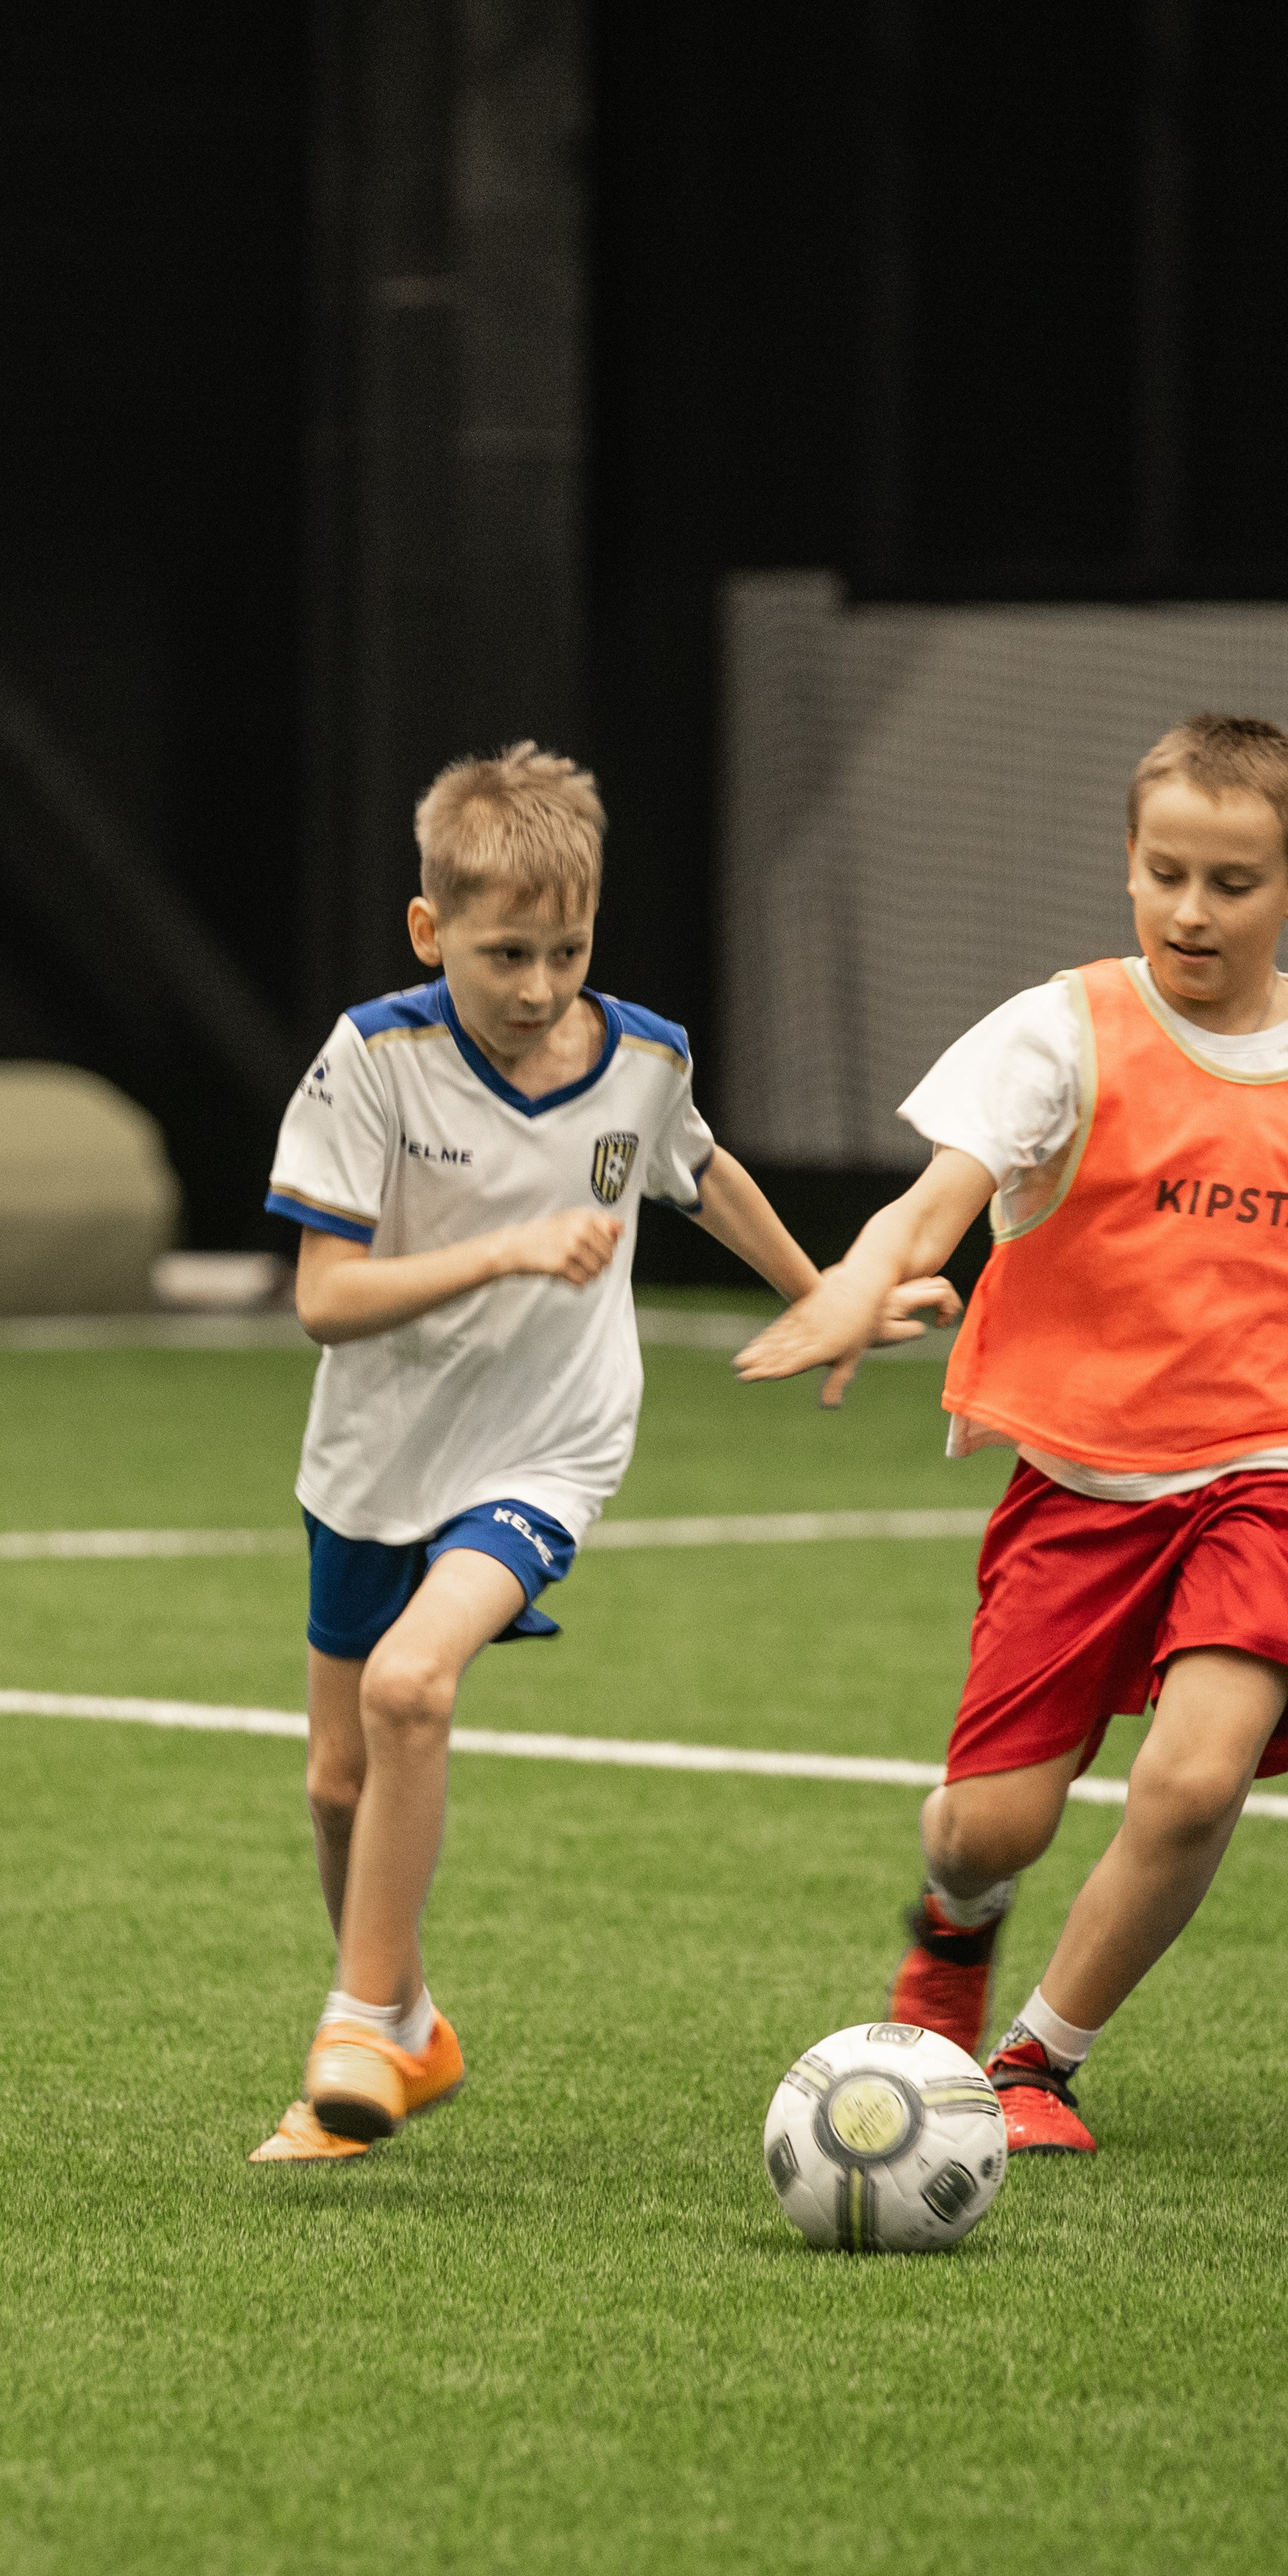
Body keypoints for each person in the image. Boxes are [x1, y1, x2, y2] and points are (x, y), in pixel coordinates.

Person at [735, 714, 1288, 2156]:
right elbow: (934, 1203)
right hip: (1076, 1480)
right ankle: (954, 1924)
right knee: (985, 1825)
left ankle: (1035, 2061)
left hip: (1277, 1471)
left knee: (1196, 1776)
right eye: (1163, 872)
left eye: (1232, 882)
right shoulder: (1060, 1030)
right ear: (1126, 864)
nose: (1190, 909)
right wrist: (851, 1289)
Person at [253, 741, 950, 2161]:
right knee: (337, 1782)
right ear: (428, 931)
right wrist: (507, 1250)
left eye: (566, 951)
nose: (537, 987)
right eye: (504, 954)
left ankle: (350, 2026)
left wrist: (827, 1297)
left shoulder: (641, 1057)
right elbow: (326, 1301)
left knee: (410, 1686)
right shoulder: (372, 1060)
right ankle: (408, 2027)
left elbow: (702, 1175)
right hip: (374, 1455)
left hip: (549, 1448)